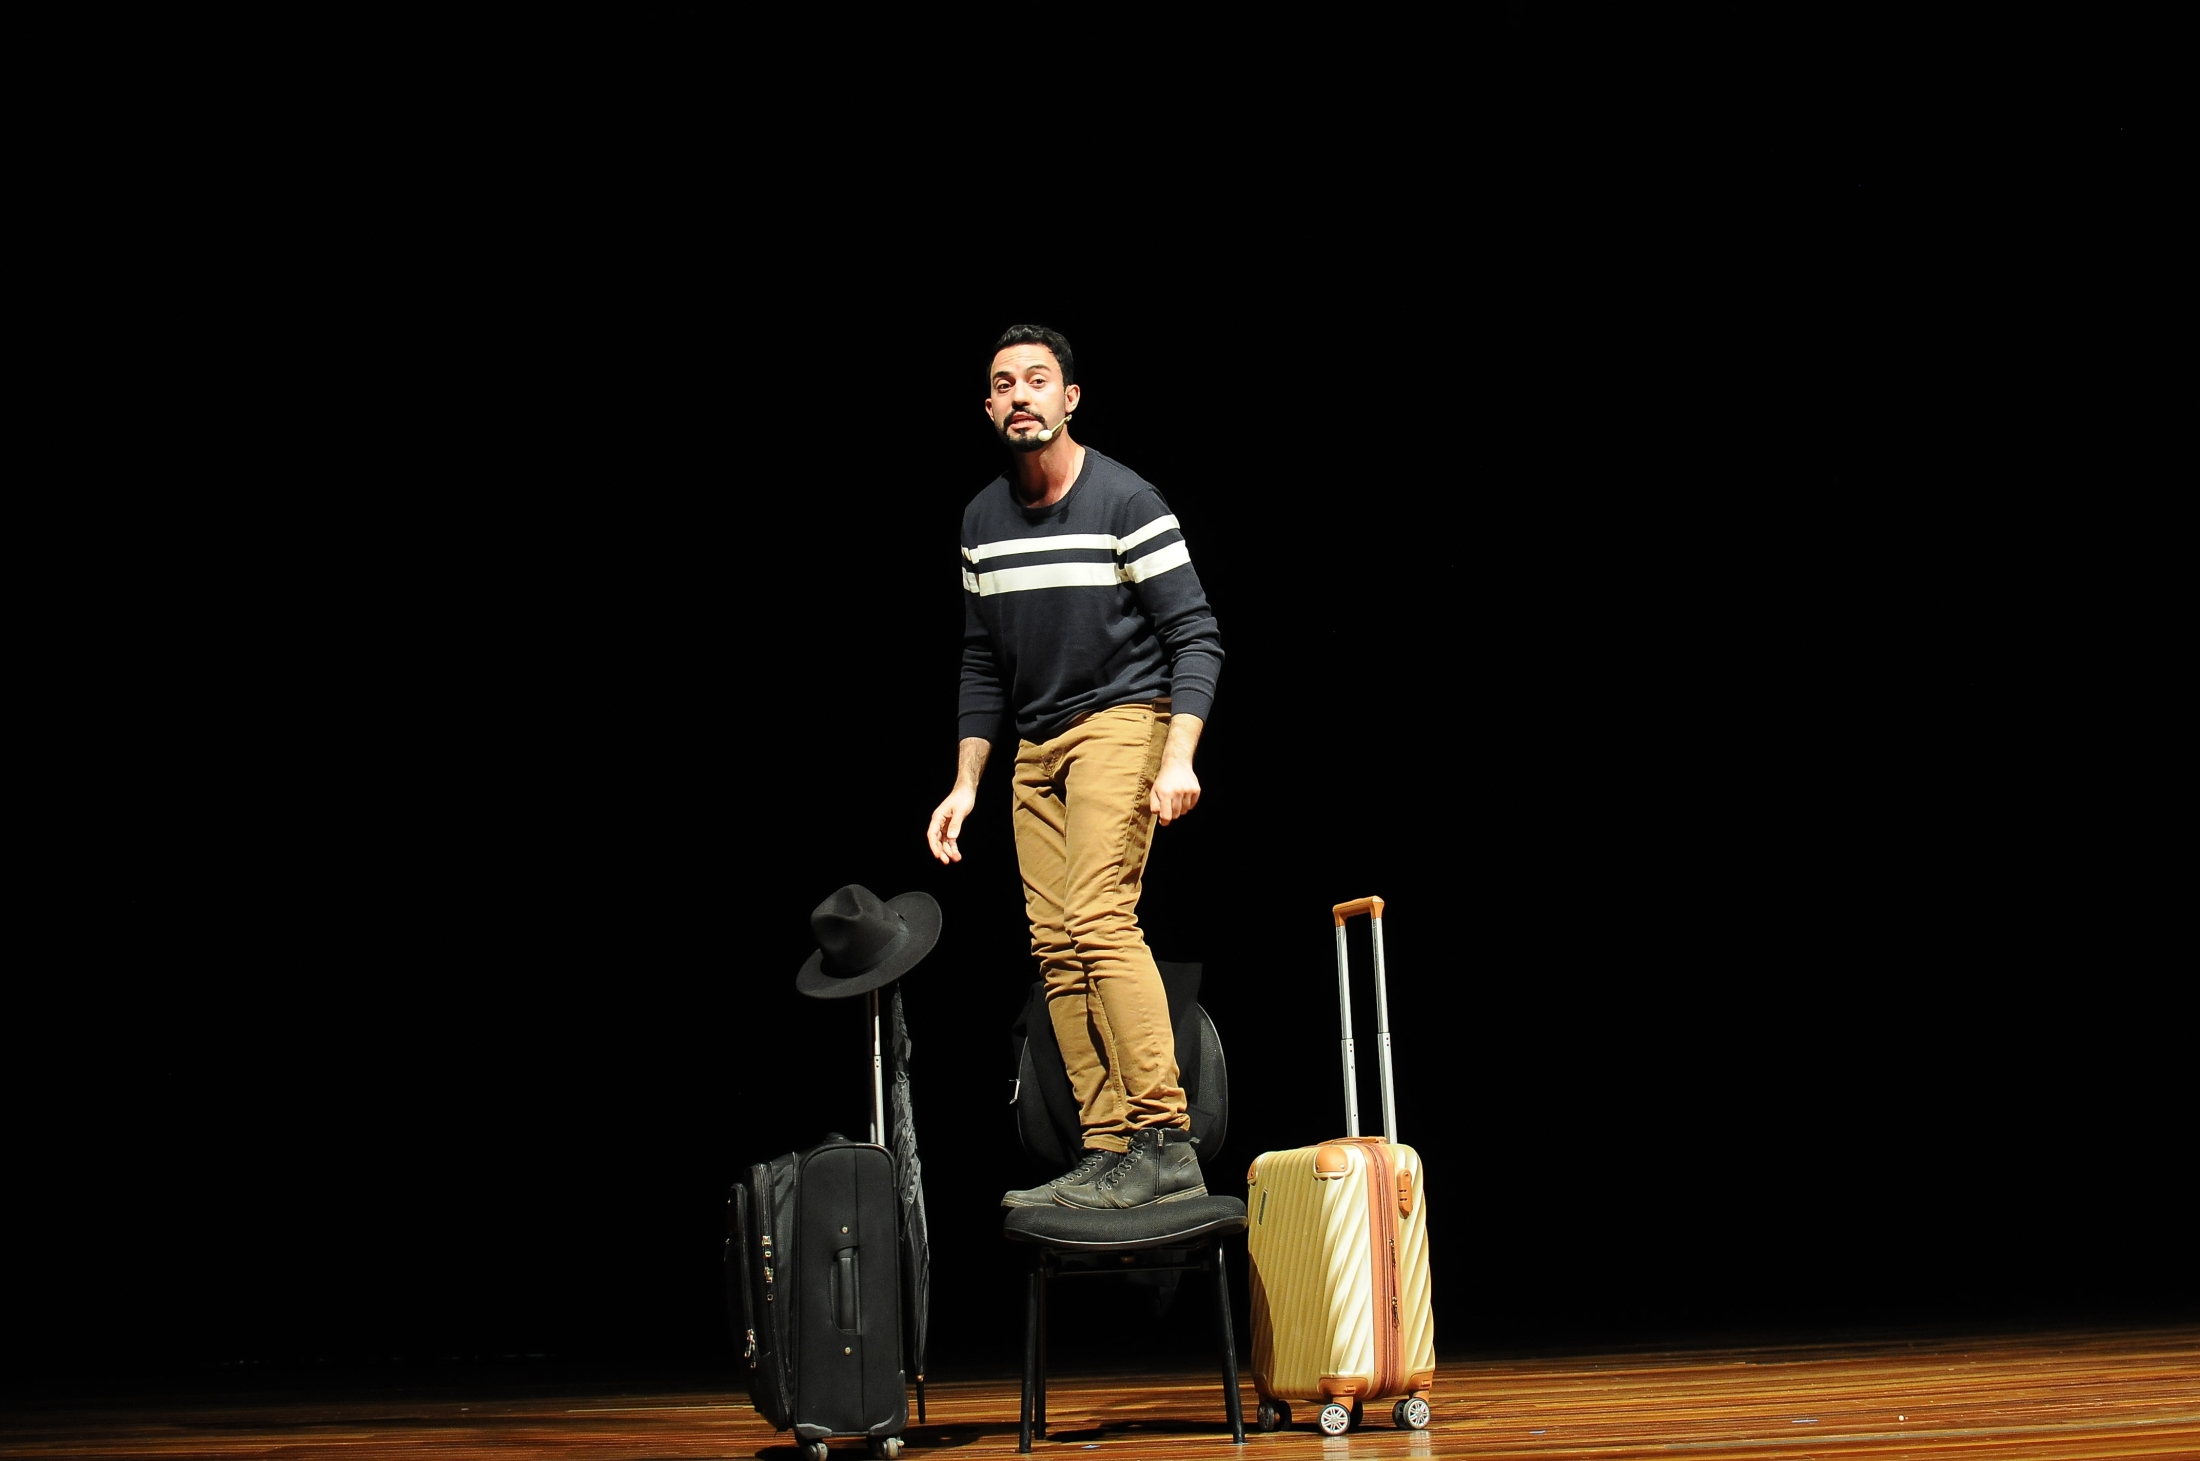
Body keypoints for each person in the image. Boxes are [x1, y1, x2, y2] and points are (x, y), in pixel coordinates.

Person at [926, 323, 1224, 1212]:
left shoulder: (1126, 500)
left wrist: (1179, 757)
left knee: (1098, 916)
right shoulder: (981, 520)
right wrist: (966, 783)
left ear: (1070, 398)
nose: (1020, 395)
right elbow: (982, 662)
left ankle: (1164, 1138)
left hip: (1122, 720)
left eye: (1037, 380)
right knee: (1055, 945)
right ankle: (1108, 1146)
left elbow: (1196, 634)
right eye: (1003, 383)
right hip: (1036, 743)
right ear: (989, 407)